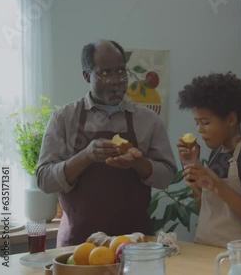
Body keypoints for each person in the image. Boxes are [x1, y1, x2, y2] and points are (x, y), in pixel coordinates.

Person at [37, 40, 177, 247]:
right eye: (105, 74)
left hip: (134, 245)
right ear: (87, 76)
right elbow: (45, 180)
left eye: (121, 72)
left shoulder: (147, 119)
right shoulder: (64, 118)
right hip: (78, 246)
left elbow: (167, 177)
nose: (116, 81)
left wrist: (137, 163)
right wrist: (85, 156)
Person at [177, 72, 241, 248]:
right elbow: (210, 213)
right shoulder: (216, 154)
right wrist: (193, 168)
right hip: (207, 250)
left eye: (205, 122)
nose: (200, 130)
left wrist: (215, 184)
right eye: (197, 123)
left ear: (230, 119)